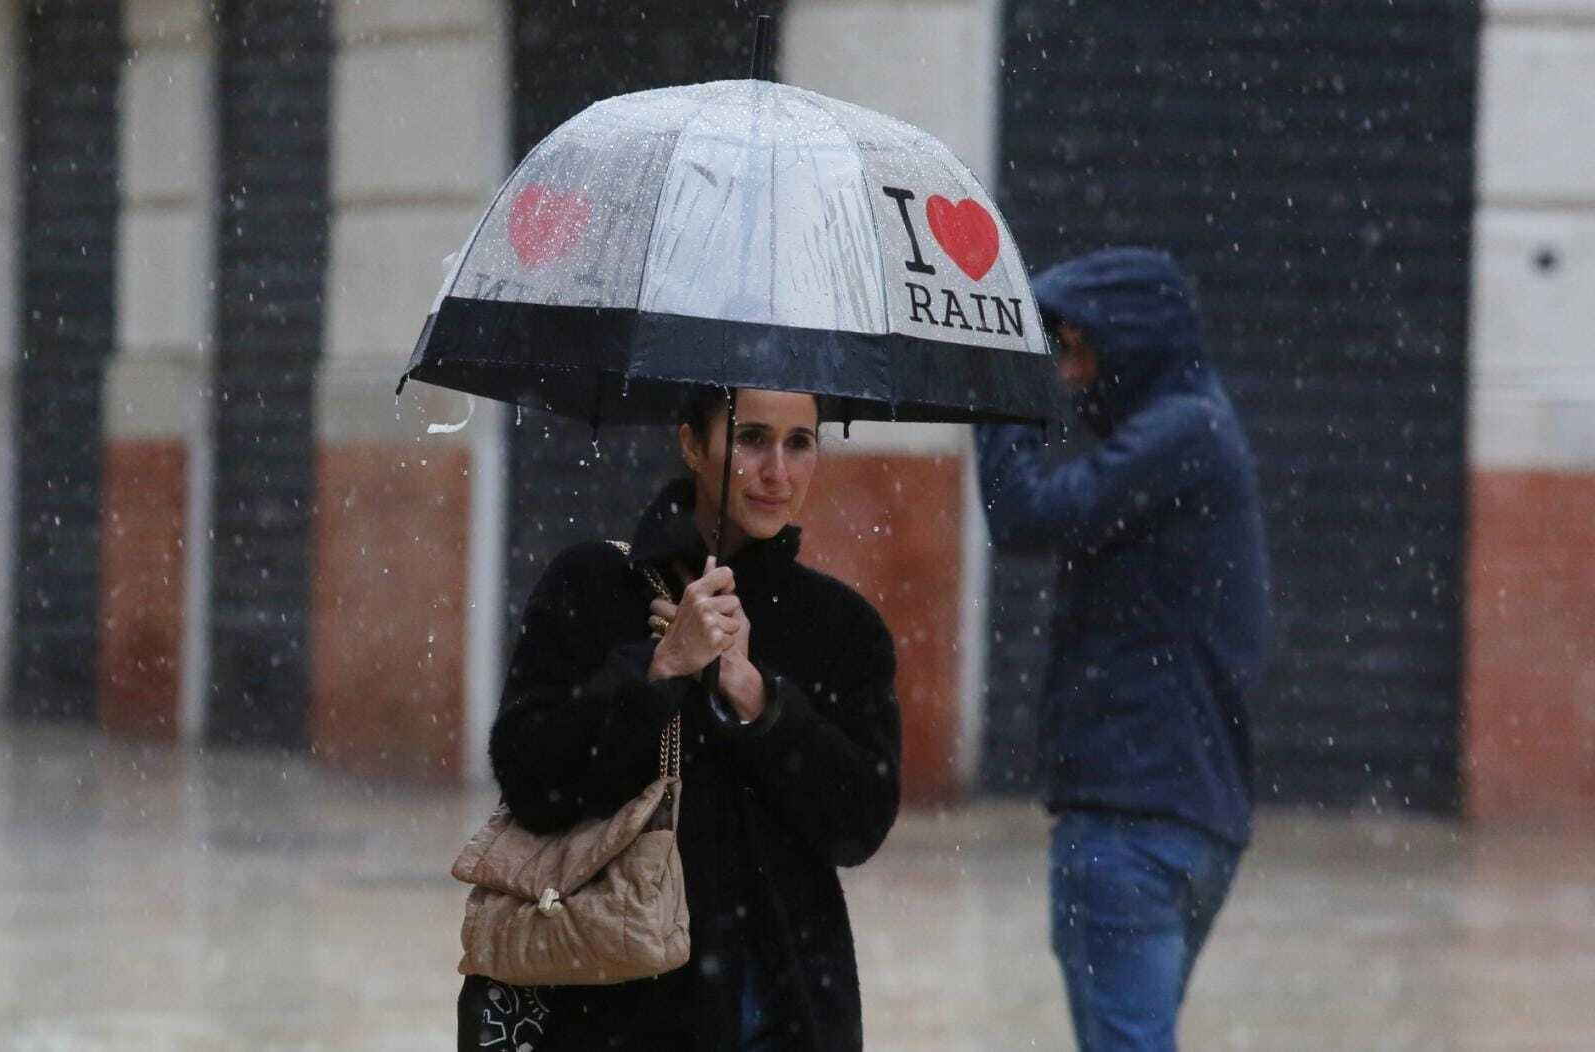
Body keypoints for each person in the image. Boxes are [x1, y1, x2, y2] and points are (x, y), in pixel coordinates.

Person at [458, 386, 901, 1052]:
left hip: (779, 1005)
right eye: (751, 438)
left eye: (799, 443)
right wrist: (660, 670)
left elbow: (858, 825)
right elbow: (531, 781)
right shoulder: (593, 585)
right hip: (611, 1004)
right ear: (692, 443)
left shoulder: (843, 629)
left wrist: (760, 702)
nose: (777, 472)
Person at [975, 247, 1272, 1051]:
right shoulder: (1195, 429)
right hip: (1181, 818)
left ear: (1127, 341)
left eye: (1073, 350)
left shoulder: (1183, 433)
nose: (1068, 378)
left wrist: (1000, 393)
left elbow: (1024, 515)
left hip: (1132, 825)